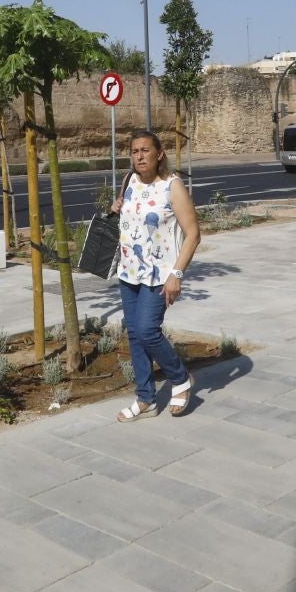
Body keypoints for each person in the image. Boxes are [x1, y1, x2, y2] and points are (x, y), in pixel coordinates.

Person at [110, 130, 201, 421]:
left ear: (159, 153)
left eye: (145, 150)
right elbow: (129, 213)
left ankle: (180, 377)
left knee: (148, 331)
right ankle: (145, 398)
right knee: (135, 335)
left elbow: (193, 234)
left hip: (160, 275)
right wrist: (116, 206)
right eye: (135, 151)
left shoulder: (172, 186)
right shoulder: (129, 181)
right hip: (129, 272)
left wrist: (177, 274)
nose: (139, 156)